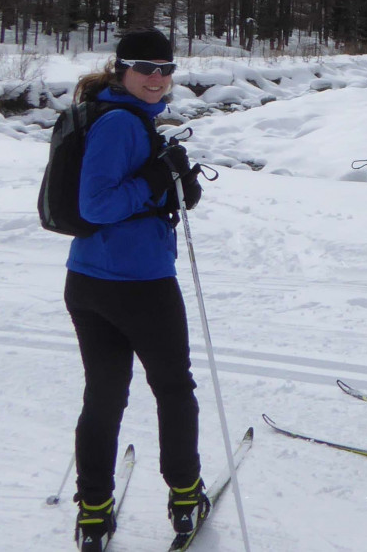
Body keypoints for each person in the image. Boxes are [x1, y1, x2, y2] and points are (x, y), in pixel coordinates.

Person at [64, 28, 209, 549]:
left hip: (89, 280)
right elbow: (97, 205)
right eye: (145, 68)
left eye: (166, 69)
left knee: (104, 396)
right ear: (121, 69)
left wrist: (171, 181)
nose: (157, 78)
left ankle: (94, 511)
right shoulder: (121, 122)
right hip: (139, 284)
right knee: (173, 390)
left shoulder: (111, 113)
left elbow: (127, 192)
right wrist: (157, 177)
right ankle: (186, 497)